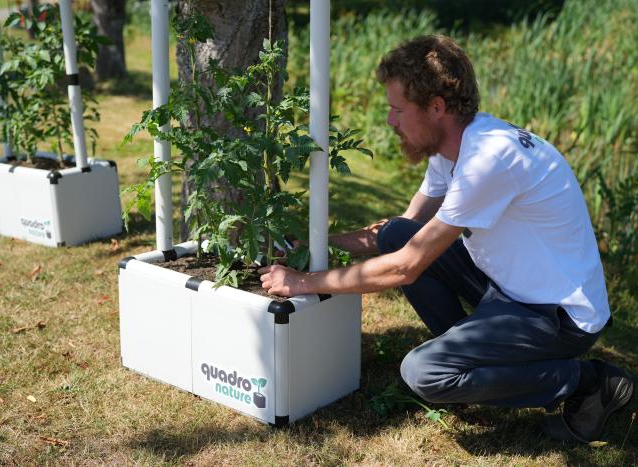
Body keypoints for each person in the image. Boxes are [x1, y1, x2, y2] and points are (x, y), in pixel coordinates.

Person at [259, 35, 633, 443]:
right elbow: (403, 229)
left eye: (397, 110)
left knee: (425, 373)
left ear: (436, 107)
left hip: (558, 316)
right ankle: (476, 366)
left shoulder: (487, 161)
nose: (390, 121)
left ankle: (589, 382)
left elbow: (407, 266)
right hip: (509, 288)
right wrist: (317, 243)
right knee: (397, 233)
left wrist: (303, 282)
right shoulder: (452, 147)